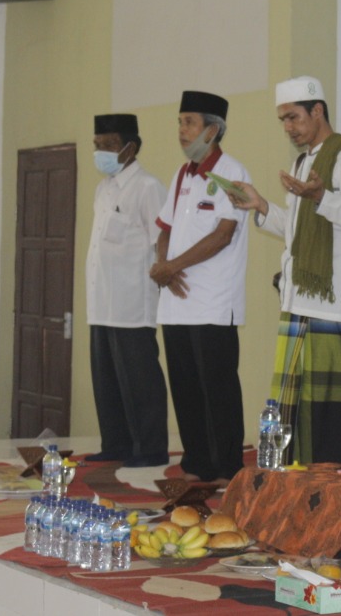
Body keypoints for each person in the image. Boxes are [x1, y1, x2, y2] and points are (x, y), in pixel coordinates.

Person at [233, 76, 341, 467]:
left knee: (333, 410)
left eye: (293, 117)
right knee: (295, 406)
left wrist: (321, 197)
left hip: (333, 301)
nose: (288, 127)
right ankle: (300, 483)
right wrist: (261, 205)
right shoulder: (303, 161)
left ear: (317, 111)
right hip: (300, 299)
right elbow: (297, 231)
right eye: (282, 120)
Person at [151, 90, 250, 486]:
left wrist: (171, 267)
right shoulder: (182, 174)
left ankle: (227, 467)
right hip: (176, 303)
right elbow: (165, 229)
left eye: (189, 122)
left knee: (218, 387)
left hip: (213, 302)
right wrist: (163, 264)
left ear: (212, 130)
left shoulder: (233, 172)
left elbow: (224, 234)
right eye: (179, 122)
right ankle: (197, 463)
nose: (182, 130)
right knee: (185, 386)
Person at [85, 113, 170, 468]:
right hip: (101, 302)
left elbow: (163, 241)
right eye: (97, 145)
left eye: (108, 145)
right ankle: (116, 443)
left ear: (129, 147)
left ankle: (150, 448)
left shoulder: (147, 187)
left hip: (133, 303)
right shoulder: (104, 189)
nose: (100, 152)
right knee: (106, 380)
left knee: (140, 380)